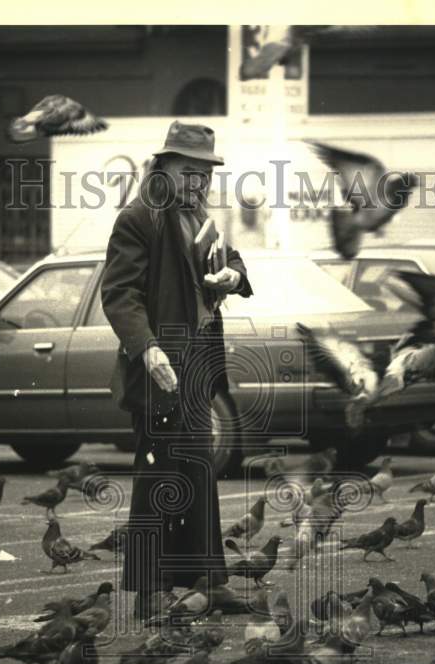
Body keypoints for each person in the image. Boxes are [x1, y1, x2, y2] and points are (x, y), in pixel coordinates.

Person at [100, 121, 253, 619]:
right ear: (163, 167)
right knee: (158, 475)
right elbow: (119, 294)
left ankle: (210, 580)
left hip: (198, 361)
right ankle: (150, 593)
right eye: (190, 171)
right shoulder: (138, 218)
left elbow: (232, 261)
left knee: (198, 471)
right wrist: (146, 348)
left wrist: (233, 276)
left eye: (206, 173)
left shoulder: (200, 215)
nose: (199, 182)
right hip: (161, 367)